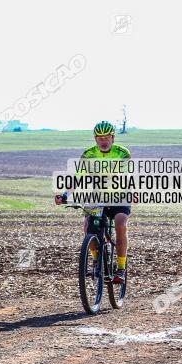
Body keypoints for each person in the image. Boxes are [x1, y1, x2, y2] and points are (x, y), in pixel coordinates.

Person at [55, 120, 132, 283]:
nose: (103, 141)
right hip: (98, 196)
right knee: (88, 228)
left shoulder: (122, 153)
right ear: (95, 139)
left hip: (120, 196)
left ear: (113, 138)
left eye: (106, 137)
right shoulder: (89, 154)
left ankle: (121, 269)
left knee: (120, 224)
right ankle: (97, 261)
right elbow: (77, 178)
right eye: (100, 138)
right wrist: (65, 195)